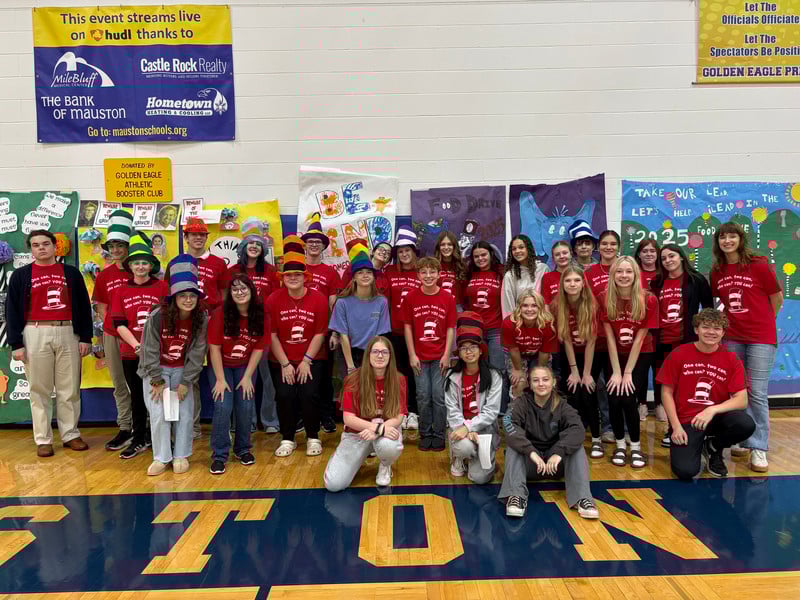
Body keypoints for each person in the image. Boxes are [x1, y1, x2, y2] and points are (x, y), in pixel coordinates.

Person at [5, 229, 93, 457]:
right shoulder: (21, 275)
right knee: (39, 389)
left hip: (67, 330)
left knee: (69, 387)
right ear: (31, 249)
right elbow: (12, 311)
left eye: (45, 243)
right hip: (34, 332)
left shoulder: (71, 274)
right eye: (36, 245)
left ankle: (70, 434)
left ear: (55, 247)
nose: (41, 248)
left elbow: (84, 307)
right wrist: (16, 344)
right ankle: (43, 439)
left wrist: (85, 337)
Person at [711, 221, 782, 473]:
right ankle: (742, 436)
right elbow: (719, 303)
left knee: (757, 392)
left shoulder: (759, 265)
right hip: (732, 337)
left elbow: (777, 298)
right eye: (722, 237)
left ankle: (759, 447)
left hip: (762, 337)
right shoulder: (717, 270)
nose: (727, 241)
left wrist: (763, 323)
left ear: (741, 239)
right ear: (718, 242)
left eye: (732, 236)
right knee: (736, 390)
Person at [657, 309, 756, 480]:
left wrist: (711, 410)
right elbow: (666, 392)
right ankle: (699, 446)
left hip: (716, 419)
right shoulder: (679, 354)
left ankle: (713, 447)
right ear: (696, 329)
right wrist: (675, 427)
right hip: (687, 421)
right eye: (706, 327)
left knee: (745, 424)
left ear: (723, 332)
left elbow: (742, 400)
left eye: (717, 328)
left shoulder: (732, 359)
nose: (711, 332)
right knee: (685, 471)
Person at [138, 254, 209, 475]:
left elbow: (197, 353)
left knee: (183, 413)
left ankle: (180, 455)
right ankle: (161, 457)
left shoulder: (201, 319)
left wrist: (187, 381)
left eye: (192, 296)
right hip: (157, 369)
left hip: (181, 370)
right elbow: (149, 349)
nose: (188, 300)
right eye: (183, 295)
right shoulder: (158, 316)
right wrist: (157, 380)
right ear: (174, 297)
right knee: (159, 413)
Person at [498, 365, 599, 520]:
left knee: (576, 447)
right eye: (536, 380)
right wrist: (530, 451)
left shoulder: (563, 405)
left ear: (553, 382)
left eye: (545, 379)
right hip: (531, 464)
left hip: (555, 465)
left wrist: (559, 452)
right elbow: (508, 424)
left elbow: (578, 429)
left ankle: (582, 498)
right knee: (514, 447)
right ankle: (515, 496)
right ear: (530, 384)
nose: (541, 384)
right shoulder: (521, 403)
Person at [266, 236, 329, 458]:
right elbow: (271, 335)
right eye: (288, 275)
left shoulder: (319, 299)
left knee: (309, 393)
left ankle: (313, 436)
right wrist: (285, 363)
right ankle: (287, 438)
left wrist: (306, 361)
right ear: (283, 278)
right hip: (281, 359)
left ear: (305, 277)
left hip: (312, 358)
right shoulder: (273, 299)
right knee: (284, 395)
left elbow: (320, 332)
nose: (293, 278)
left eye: (297, 275)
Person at [323, 336, 407, 490]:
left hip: (386, 430)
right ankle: (351, 457)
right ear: (368, 354)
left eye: (384, 352)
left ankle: (385, 464)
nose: (380, 356)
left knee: (389, 446)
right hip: (357, 433)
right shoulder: (353, 379)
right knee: (334, 485)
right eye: (375, 352)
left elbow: (399, 416)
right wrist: (376, 428)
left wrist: (378, 431)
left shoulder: (399, 379)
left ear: (390, 356)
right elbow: (348, 419)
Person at [111, 232, 167, 460]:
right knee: (137, 396)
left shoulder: (162, 287)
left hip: (159, 353)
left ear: (151, 265)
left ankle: (160, 437)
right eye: (136, 263)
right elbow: (119, 323)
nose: (141, 266)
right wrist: (137, 346)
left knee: (159, 395)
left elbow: (169, 320)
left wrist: (152, 348)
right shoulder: (121, 291)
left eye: (145, 262)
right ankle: (139, 437)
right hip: (131, 352)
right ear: (130, 266)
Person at [650, 243, 713, 443]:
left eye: (671, 256)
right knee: (666, 386)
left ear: (681, 257)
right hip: (662, 343)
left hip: (686, 342)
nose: (668, 261)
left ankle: (693, 428)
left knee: (687, 387)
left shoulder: (696, 280)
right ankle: (672, 429)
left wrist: (703, 335)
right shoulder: (657, 282)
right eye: (664, 258)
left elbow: (709, 309)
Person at [208, 273, 270, 475]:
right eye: (235, 289)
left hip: (245, 365)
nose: (239, 292)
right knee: (223, 406)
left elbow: (259, 349)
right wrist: (219, 379)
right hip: (221, 366)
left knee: (245, 404)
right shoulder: (220, 313)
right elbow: (214, 347)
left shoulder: (261, 315)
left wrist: (247, 377)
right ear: (230, 293)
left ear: (252, 291)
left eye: (244, 288)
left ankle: (243, 449)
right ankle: (219, 455)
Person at [223, 218, 280, 434]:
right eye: (250, 243)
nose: (254, 247)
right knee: (243, 376)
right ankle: (247, 421)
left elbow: (275, 300)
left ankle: (270, 420)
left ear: (263, 249)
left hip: (263, 329)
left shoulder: (271, 271)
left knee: (267, 379)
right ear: (243, 248)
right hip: (238, 331)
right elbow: (226, 299)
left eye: (258, 244)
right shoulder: (232, 271)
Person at [601, 256, 658, 470]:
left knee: (628, 397)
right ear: (613, 275)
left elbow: (640, 338)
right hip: (616, 353)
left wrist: (627, 373)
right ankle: (619, 445)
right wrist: (616, 371)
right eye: (619, 272)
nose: (624, 276)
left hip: (640, 353)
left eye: (628, 272)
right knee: (614, 397)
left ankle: (635, 447)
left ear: (636, 275)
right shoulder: (604, 297)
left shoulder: (649, 300)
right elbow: (609, 336)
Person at [402, 256, 457, 451]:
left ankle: (439, 434)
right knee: (423, 395)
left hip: (440, 357)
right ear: (418, 275)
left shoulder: (448, 298)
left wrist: (447, 354)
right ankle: (425, 433)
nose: (428, 276)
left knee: (439, 396)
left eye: (432, 272)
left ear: (439, 274)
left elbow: (451, 328)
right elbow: (408, 327)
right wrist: (411, 354)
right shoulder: (410, 297)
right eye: (423, 272)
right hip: (419, 357)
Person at [94, 209, 136, 452]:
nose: (117, 249)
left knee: (143, 381)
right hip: (112, 334)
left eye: (121, 244)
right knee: (119, 382)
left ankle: (147, 425)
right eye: (113, 245)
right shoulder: (104, 276)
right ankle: (125, 426)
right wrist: (113, 329)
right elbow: (102, 307)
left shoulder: (139, 269)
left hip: (139, 335)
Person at [552, 266, 604, 459]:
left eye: (576, 280)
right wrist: (574, 371)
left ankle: (597, 439)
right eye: (568, 281)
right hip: (569, 354)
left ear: (583, 283)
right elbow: (565, 338)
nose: (572, 284)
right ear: (562, 284)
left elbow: (591, 341)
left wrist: (586, 374)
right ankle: (573, 435)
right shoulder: (558, 305)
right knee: (573, 393)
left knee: (588, 392)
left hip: (591, 354)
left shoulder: (592, 304)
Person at [444, 312, 502, 483]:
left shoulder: (494, 375)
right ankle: (460, 458)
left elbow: (491, 412)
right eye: (464, 348)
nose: (469, 352)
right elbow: (452, 410)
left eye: (473, 347)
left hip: (484, 431)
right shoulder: (451, 376)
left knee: (480, 479)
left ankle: (482, 460)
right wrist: (463, 429)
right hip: (459, 430)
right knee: (464, 447)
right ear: (459, 352)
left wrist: (470, 428)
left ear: (480, 349)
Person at [301, 215, 341, 434]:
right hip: (298, 331)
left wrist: (334, 331)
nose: (314, 245)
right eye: (310, 242)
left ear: (324, 246)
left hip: (323, 332)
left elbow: (334, 304)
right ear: (305, 245)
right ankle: (303, 417)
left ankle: (326, 415)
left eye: (318, 242)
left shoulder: (330, 273)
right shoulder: (297, 268)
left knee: (324, 377)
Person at [329, 239, 391, 373]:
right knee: (350, 391)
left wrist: (372, 360)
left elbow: (379, 335)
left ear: (374, 277)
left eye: (368, 272)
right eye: (360, 272)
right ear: (354, 278)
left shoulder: (382, 302)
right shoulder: (342, 302)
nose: (365, 275)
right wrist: (350, 366)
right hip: (347, 353)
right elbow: (343, 335)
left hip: (372, 353)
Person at [383, 226, 421, 430]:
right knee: (399, 373)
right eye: (400, 251)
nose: (404, 254)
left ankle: (414, 412)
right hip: (395, 331)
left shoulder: (422, 271)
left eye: (408, 250)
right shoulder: (389, 271)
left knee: (416, 373)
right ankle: (401, 411)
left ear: (415, 252)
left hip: (418, 333)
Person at [584, 229, 619, 443]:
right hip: (596, 337)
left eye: (613, 244)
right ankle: (605, 427)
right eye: (604, 243)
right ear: (599, 247)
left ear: (618, 246)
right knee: (601, 385)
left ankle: (618, 428)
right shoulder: (590, 272)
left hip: (621, 337)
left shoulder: (625, 268)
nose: (608, 247)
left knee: (619, 386)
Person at [464, 241, 508, 410]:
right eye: (476, 256)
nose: (480, 258)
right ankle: (478, 408)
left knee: (498, 371)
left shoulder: (501, 273)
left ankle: (500, 409)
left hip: (496, 330)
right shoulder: (469, 276)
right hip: (475, 331)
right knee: (477, 371)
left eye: (483, 255)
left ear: (491, 255)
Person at [502, 291, 558, 399]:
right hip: (517, 354)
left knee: (541, 382)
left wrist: (537, 374)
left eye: (534, 305)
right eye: (525, 305)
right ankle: (515, 410)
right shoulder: (509, 323)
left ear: (540, 307)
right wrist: (518, 370)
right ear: (519, 307)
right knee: (519, 382)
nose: (529, 309)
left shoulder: (548, 324)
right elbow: (513, 350)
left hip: (539, 355)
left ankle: (541, 411)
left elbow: (544, 353)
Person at [632, 238, 661, 420]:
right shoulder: (634, 273)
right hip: (640, 329)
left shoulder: (664, 272)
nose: (649, 254)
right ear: (639, 254)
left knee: (660, 369)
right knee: (640, 370)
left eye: (652, 251)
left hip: (662, 330)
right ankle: (641, 403)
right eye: (645, 251)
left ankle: (659, 404)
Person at [501, 234, 548, 318]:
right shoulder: (510, 275)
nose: (517, 251)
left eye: (521, 247)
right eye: (514, 249)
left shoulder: (543, 269)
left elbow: (548, 300)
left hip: (542, 322)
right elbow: (507, 307)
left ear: (528, 249)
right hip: (520, 324)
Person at [434, 231, 467, 310]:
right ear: (439, 247)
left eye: (449, 244)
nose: (446, 247)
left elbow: (465, 293)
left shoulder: (462, 266)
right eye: (442, 244)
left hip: (457, 308)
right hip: (437, 307)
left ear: (454, 246)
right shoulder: (433, 265)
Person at [541, 240, 572, 305]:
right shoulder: (547, 278)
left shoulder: (579, 275)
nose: (561, 256)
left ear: (571, 255)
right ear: (553, 258)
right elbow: (545, 304)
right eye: (557, 254)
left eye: (565, 253)